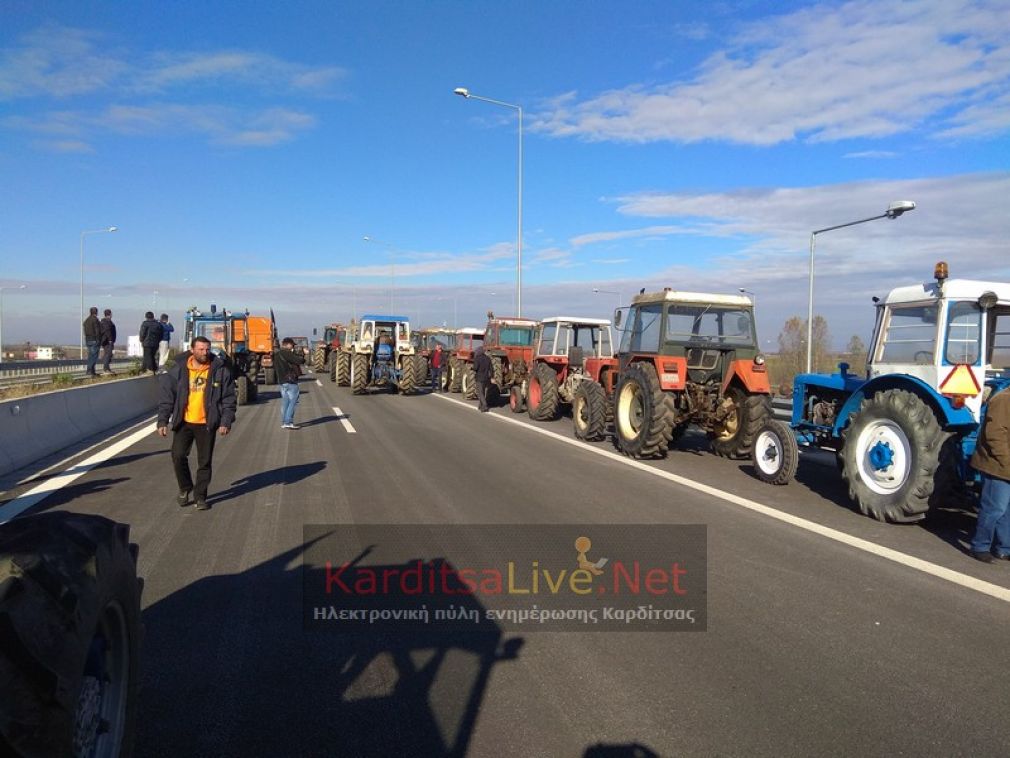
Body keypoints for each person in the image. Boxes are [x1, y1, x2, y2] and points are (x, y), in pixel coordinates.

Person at [158, 336, 236, 511]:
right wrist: (162, 420)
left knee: (204, 461)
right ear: (192, 350)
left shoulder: (220, 370)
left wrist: (225, 421)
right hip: (184, 422)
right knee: (177, 456)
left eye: (207, 349)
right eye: (200, 349)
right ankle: (185, 488)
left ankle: (200, 496)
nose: (204, 352)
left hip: (206, 423)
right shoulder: (178, 369)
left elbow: (229, 399)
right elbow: (167, 398)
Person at [969, 388, 1010, 563]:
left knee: (1007, 510)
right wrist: (1007, 462)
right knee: (995, 507)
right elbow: (994, 436)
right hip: (997, 464)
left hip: (1005, 464)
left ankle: (1003, 548)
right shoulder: (1003, 399)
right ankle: (980, 545)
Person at [274, 337, 306, 429]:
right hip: (290, 381)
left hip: (282, 382)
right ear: (287, 344)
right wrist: (303, 354)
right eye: (292, 345)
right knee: (293, 401)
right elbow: (300, 360)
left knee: (285, 402)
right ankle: (288, 421)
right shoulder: (287, 353)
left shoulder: (277, 354)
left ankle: (284, 422)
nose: (293, 347)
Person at [82, 307, 101, 376]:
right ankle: (89, 370)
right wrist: (98, 340)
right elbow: (97, 331)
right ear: (96, 312)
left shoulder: (86, 320)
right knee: (94, 356)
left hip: (88, 340)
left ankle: (92, 371)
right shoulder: (95, 320)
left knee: (90, 356)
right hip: (94, 340)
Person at [474, 345, 492, 412]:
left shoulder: (477, 358)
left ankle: (485, 405)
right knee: (483, 391)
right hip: (486, 378)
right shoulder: (488, 358)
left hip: (479, 378)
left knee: (480, 392)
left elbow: (475, 368)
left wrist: (472, 368)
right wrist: (492, 377)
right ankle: (480, 405)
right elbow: (491, 369)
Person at [99, 308, 117, 374]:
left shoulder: (105, 321)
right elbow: (107, 331)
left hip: (107, 340)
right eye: (111, 314)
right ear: (109, 314)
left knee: (109, 354)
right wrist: (110, 339)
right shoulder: (106, 321)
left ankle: (107, 368)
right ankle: (105, 369)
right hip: (107, 341)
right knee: (108, 354)